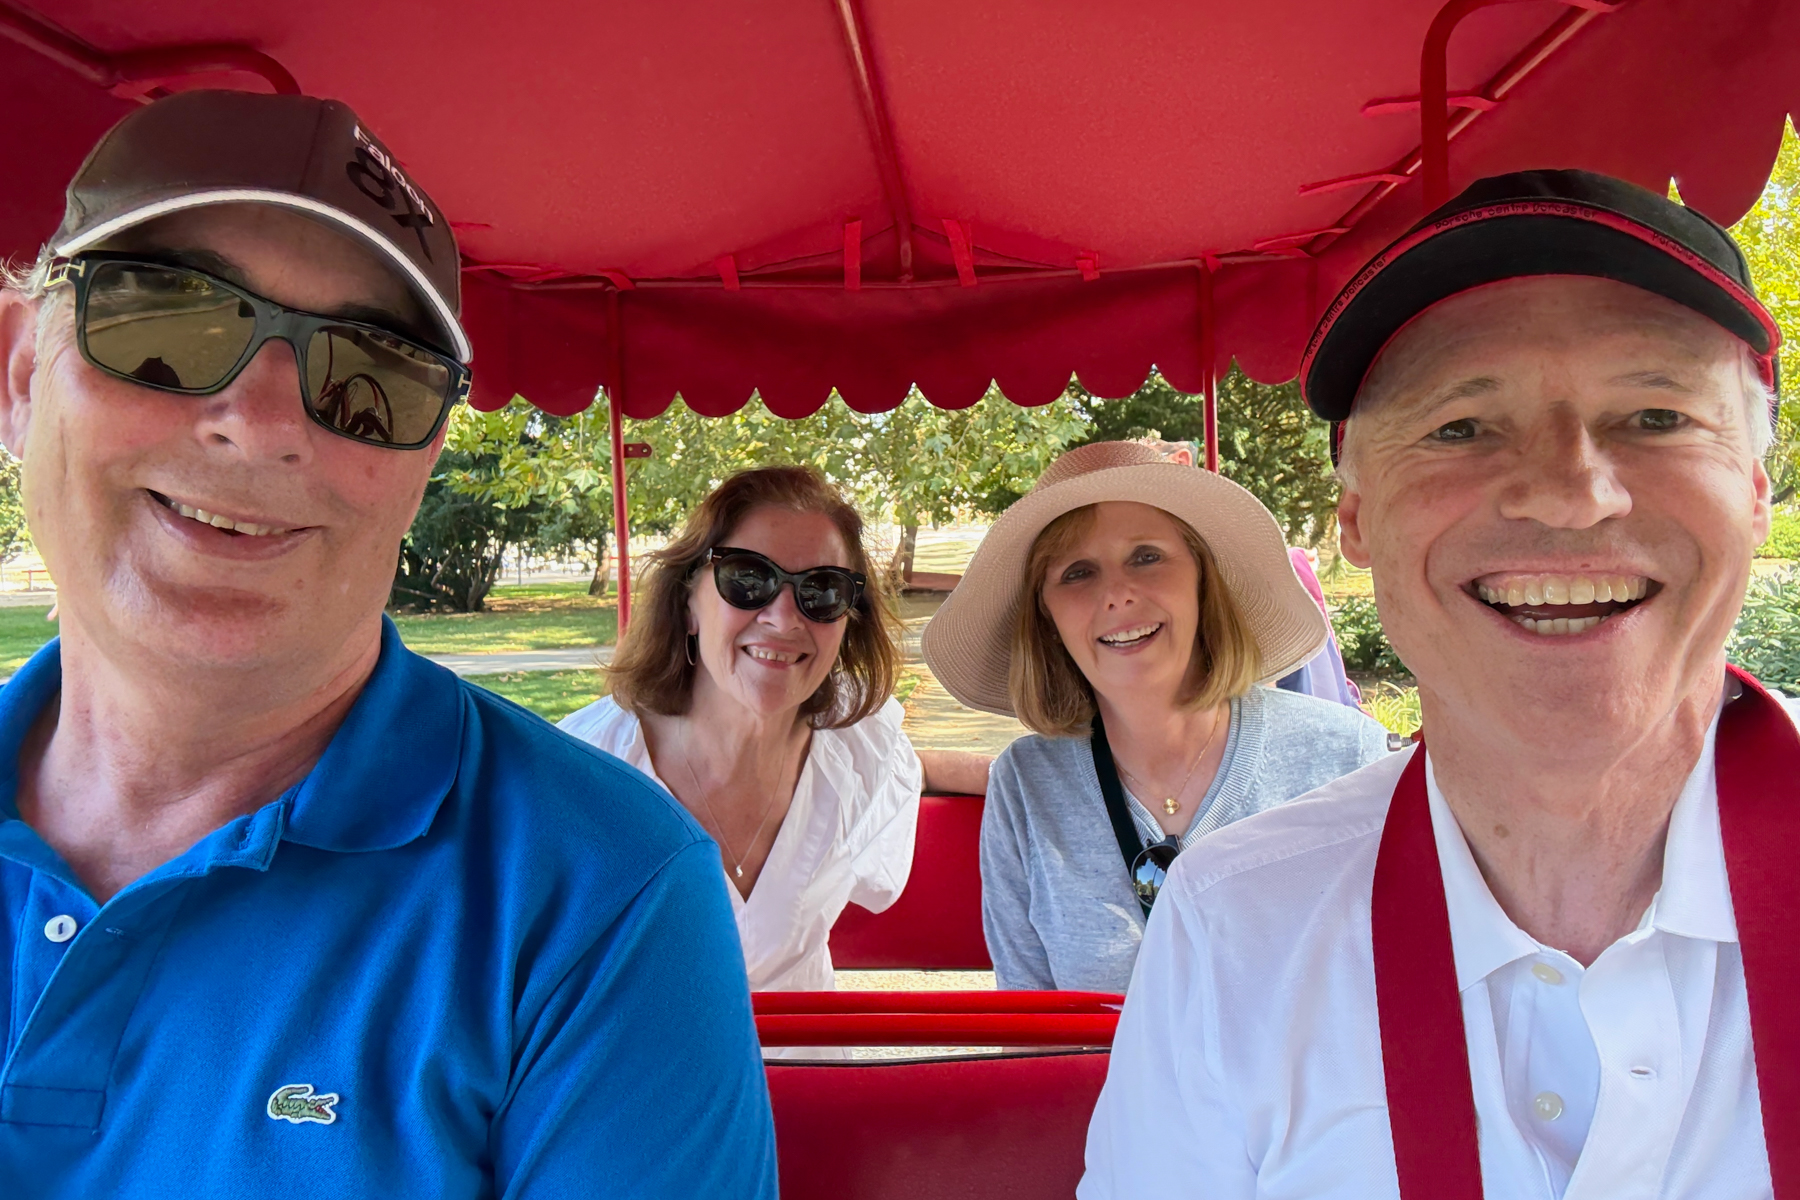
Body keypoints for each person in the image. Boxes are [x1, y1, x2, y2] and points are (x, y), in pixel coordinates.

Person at [0, 90, 774, 1197]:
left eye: (368, 380)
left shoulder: (600, 895)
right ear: (23, 372)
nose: (263, 422)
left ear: (422, 466)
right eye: (165, 322)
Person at [1081, 170, 1797, 1197]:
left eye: (1655, 415)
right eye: (1462, 427)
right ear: (1359, 517)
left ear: (1757, 492)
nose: (1569, 494)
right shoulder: (1235, 923)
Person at [922, 441, 1389, 992]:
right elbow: (1031, 1033)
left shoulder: (1346, 758)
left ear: (1202, 581)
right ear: (1046, 617)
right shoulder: (1027, 785)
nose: (1117, 594)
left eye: (1147, 556)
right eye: (1077, 572)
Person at [561, 465, 989, 993]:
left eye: (823, 591)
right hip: (644, 1072)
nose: (784, 619)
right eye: (747, 579)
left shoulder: (860, 743)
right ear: (688, 602)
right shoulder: (582, 772)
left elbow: (905, 767)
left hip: (809, 1069)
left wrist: (1017, 776)